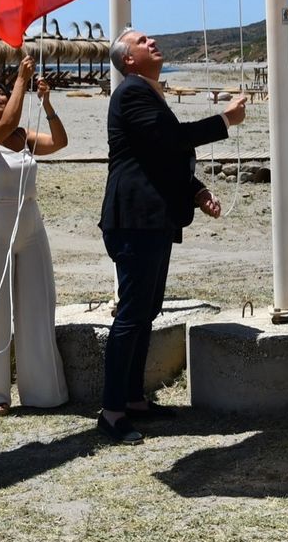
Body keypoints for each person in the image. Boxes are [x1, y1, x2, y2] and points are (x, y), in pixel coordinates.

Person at [98, 28, 246, 443]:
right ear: (128, 59)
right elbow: (172, 140)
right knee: (132, 314)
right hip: (135, 220)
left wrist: (196, 191)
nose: (152, 42)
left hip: (151, 219)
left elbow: (161, 158)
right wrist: (225, 120)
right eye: (142, 41)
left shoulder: (147, 92)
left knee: (146, 311)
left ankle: (132, 399)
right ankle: (111, 411)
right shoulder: (132, 92)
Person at [0, 56, 69, 415]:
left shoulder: (23, 137)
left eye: (1, 93)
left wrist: (47, 104)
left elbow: (59, 141)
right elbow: (7, 122)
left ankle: (43, 392)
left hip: (30, 224)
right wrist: (21, 78)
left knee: (38, 305)